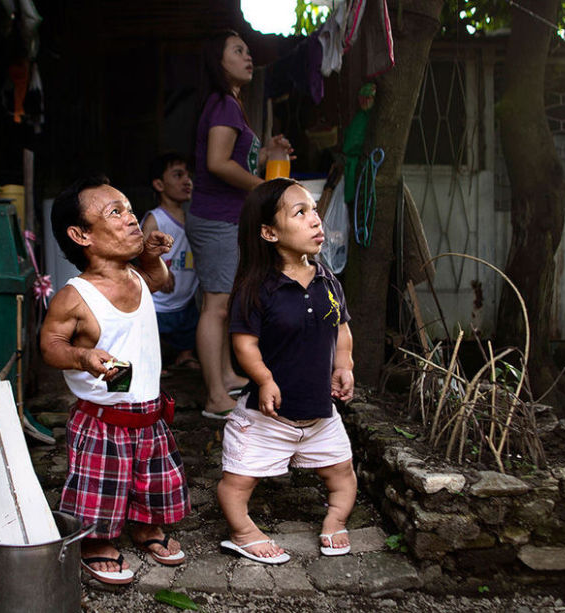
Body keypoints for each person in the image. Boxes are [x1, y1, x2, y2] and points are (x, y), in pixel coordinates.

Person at [40, 175, 190, 586]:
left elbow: (159, 281)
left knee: (151, 477)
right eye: (115, 212)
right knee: (102, 483)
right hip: (104, 417)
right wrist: (82, 356)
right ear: (81, 235)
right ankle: (96, 541)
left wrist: (153, 258)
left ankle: (145, 526)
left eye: (128, 208)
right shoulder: (77, 295)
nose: (131, 220)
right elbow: (50, 345)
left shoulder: (137, 276)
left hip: (148, 410)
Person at [217, 178, 357, 564]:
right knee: (237, 483)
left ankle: (335, 518)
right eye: (301, 212)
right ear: (269, 232)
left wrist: (344, 364)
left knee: (343, 474)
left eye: (314, 210)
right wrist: (264, 379)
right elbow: (244, 344)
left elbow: (341, 329)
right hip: (269, 416)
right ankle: (243, 531)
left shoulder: (328, 281)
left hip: (319, 413)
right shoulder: (257, 288)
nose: (316, 220)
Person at [187, 30, 292, 419]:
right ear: (220, 62)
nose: (247, 56)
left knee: (224, 302)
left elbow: (238, 159)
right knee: (215, 306)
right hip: (216, 219)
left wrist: (267, 151)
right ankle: (216, 395)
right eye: (237, 51)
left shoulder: (231, 104)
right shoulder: (223, 105)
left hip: (224, 218)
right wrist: (266, 188)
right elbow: (217, 163)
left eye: (248, 51)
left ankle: (227, 373)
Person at [141, 153, 200, 372]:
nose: (187, 181)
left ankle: (185, 355)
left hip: (185, 296)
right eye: (178, 175)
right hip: (159, 300)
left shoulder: (193, 219)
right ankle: (150, 363)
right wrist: (159, 267)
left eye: (188, 175)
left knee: (189, 324)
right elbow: (141, 249)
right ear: (159, 184)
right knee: (150, 331)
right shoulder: (156, 218)